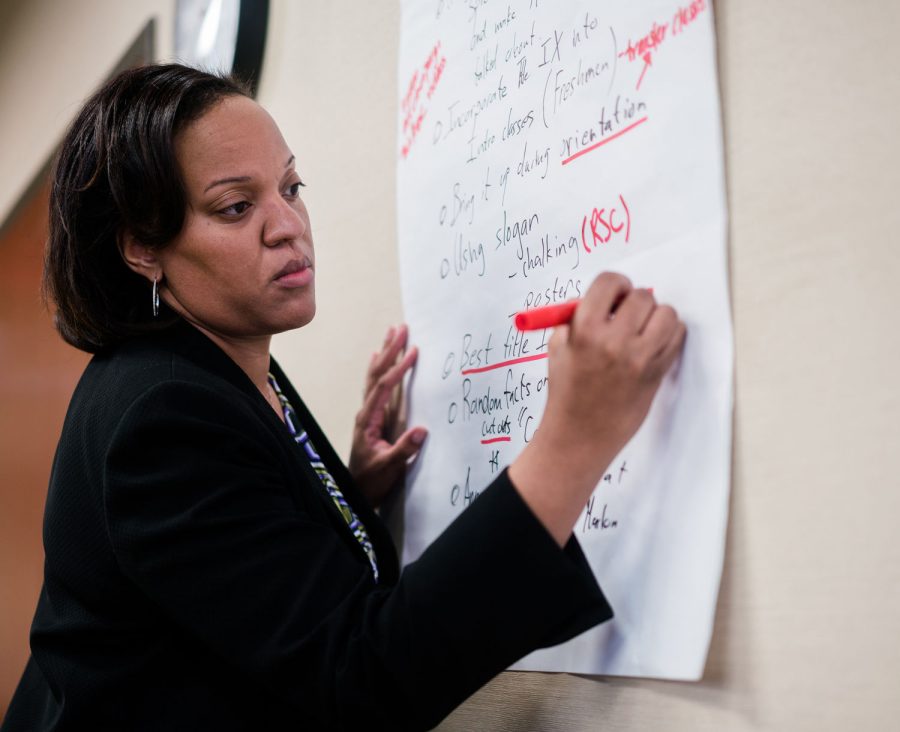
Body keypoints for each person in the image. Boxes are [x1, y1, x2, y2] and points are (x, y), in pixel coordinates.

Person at [2, 64, 685, 731]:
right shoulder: (161, 414)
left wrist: (338, 493)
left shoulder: (215, 357)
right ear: (142, 248)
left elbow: (246, 589)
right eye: (236, 207)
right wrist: (573, 442)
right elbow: (358, 681)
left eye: (291, 187)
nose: (287, 225)